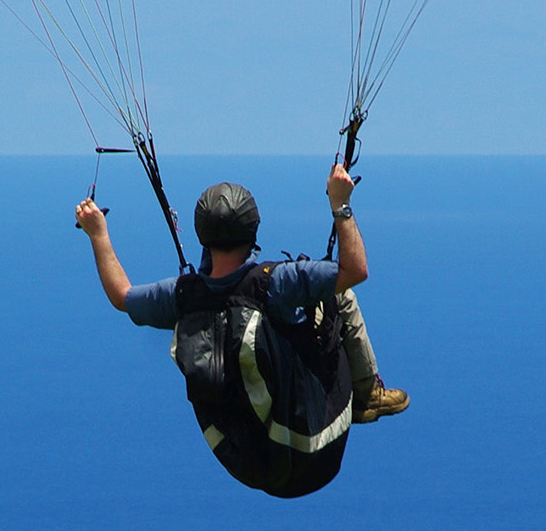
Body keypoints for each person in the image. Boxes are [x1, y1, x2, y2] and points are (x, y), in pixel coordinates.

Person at [74, 163, 408, 498]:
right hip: (315, 450)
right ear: (253, 233)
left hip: (248, 464)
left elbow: (122, 296)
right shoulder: (276, 283)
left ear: (202, 236)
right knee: (339, 294)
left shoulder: (184, 297)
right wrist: (341, 203)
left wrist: (98, 234)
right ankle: (368, 394)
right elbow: (356, 269)